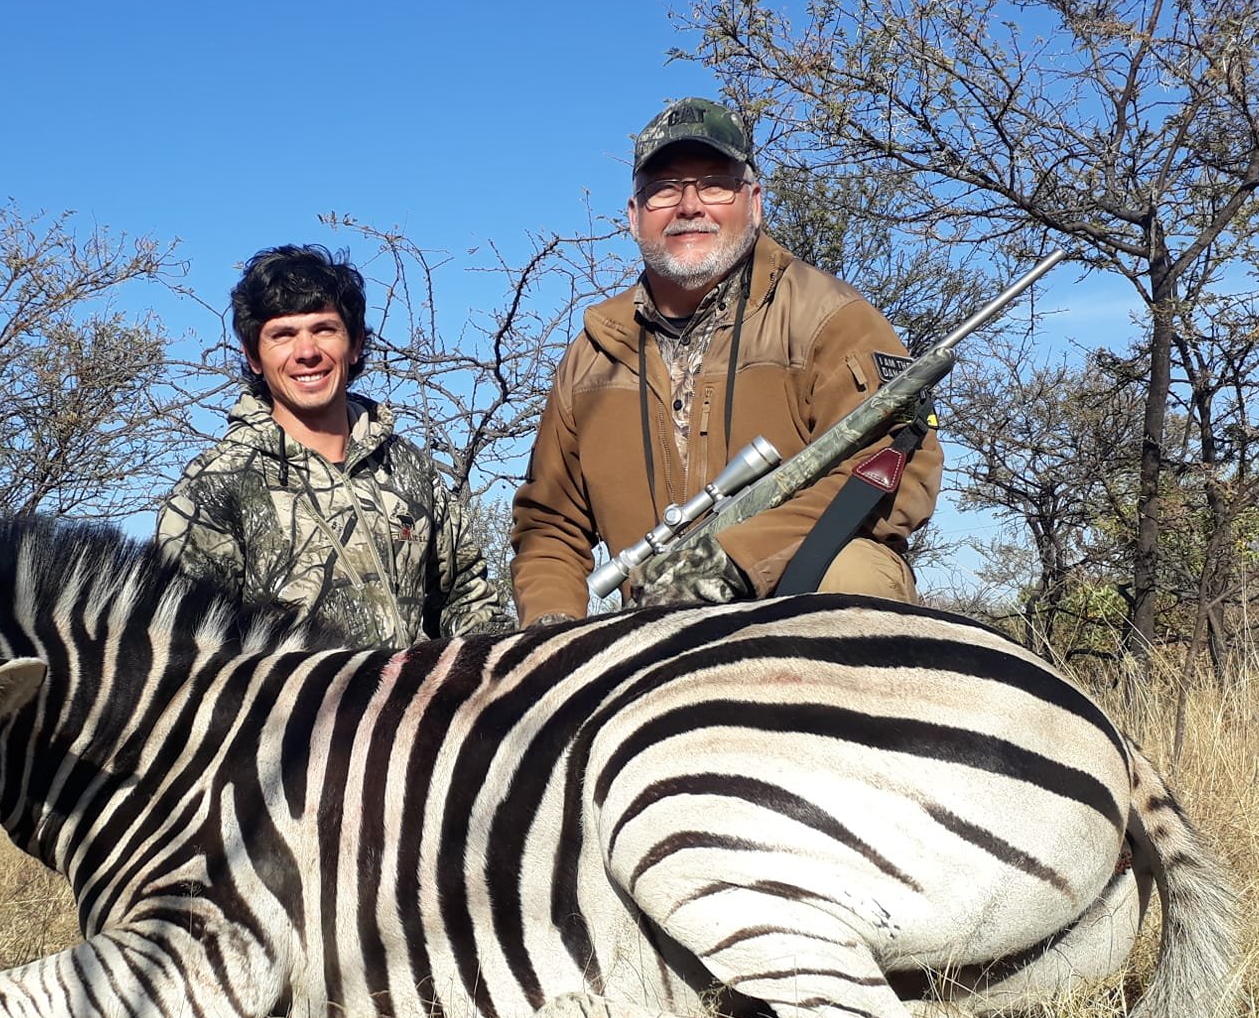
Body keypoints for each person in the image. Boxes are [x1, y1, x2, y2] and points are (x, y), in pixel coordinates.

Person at [511, 98, 941, 623]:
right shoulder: (590, 356)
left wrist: (736, 560)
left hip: (795, 601)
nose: (689, 206)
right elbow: (549, 525)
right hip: (652, 625)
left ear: (754, 202)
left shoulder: (831, 318)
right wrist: (551, 629)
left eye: (715, 184)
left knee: (852, 576)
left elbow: (895, 470)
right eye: (664, 189)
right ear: (633, 216)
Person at [157, 244, 511, 648]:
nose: (307, 352)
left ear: (356, 343)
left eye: (324, 329)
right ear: (253, 356)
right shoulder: (213, 488)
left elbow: (468, 597)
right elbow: (182, 655)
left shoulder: (410, 469)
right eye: (282, 335)